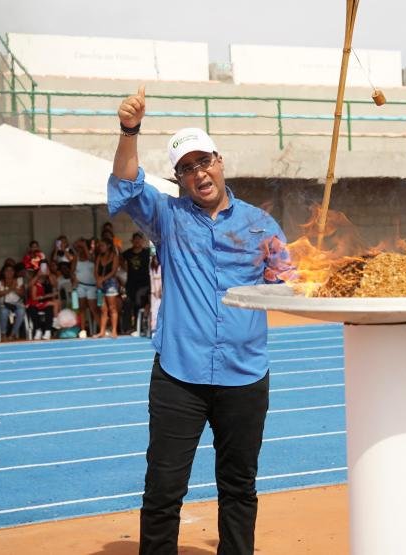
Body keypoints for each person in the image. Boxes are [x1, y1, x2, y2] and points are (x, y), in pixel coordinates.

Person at [109, 86, 289, 554]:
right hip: (179, 375)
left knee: (239, 488)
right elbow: (127, 184)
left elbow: (285, 282)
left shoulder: (261, 225)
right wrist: (130, 131)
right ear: (180, 179)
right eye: (186, 168)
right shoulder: (167, 217)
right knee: (163, 491)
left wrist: (293, 278)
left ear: (220, 160)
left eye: (203, 161)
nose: (198, 173)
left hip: (245, 374)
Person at [122, 232, 152, 335]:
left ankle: (140, 327)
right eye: (135, 239)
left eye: (139, 239)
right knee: (128, 304)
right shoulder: (127, 253)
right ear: (132, 241)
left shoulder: (147, 252)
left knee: (140, 303)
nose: (137, 241)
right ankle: (127, 328)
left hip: (144, 284)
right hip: (131, 284)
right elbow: (120, 262)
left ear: (143, 241)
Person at [94, 236, 121, 338]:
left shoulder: (114, 256)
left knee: (112, 308)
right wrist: (98, 280)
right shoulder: (99, 257)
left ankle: (114, 330)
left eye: (102, 245)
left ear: (108, 246)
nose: (100, 247)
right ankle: (102, 331)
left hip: (110, 283)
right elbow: (95, 271)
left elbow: (113, 271)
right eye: (100, 245)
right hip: (100, 284)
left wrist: (102, 279)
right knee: (103, 308)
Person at [73, 237, 100, 333]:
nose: (80, 249)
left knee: (93, 308)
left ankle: (102, 328)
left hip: (92, 286)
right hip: (80, 285)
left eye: (83, 247)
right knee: (82, 308)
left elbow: (90, 258)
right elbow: (72, 271)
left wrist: (85, 246)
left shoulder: (93, 256)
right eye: (79, 248)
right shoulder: (76, 257)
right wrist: (74, 279)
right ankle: (83, 329)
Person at [0, 263, 26, 340]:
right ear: (3, 272)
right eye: (7, 270)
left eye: (11, 270)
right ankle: (3, 333)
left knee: (21, 311)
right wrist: (12, 288)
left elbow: (22, 294)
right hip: (3, 304)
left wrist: (10, 289)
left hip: (17, 303)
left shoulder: (19, 280)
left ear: (14, 272)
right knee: (4, 312)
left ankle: (13, 334)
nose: (9, 272)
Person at [27, 263, 57, 340]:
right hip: (36, 302)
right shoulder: (36, 280)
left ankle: (48, 330)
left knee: (50, 307)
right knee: (32, 309)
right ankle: (38, 329)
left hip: (46, 302)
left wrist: (49, 274)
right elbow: (30, 287)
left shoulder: (50, 276)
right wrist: (38, 275)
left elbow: (54, 285)